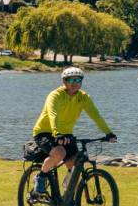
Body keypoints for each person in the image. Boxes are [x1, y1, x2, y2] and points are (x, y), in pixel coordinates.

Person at [29, 66, 116, 196]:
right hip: (45, 131)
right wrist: (57, 133)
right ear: (64, 81)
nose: (75, 83)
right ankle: (40, 177)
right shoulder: (55, 96)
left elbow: (96, 116)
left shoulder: (84, 97)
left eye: (78, 79)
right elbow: (54, 115)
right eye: (71, 80)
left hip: (66, 134)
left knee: (75, 164)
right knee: (59, 153)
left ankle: (67, 197)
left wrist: (108, 132)